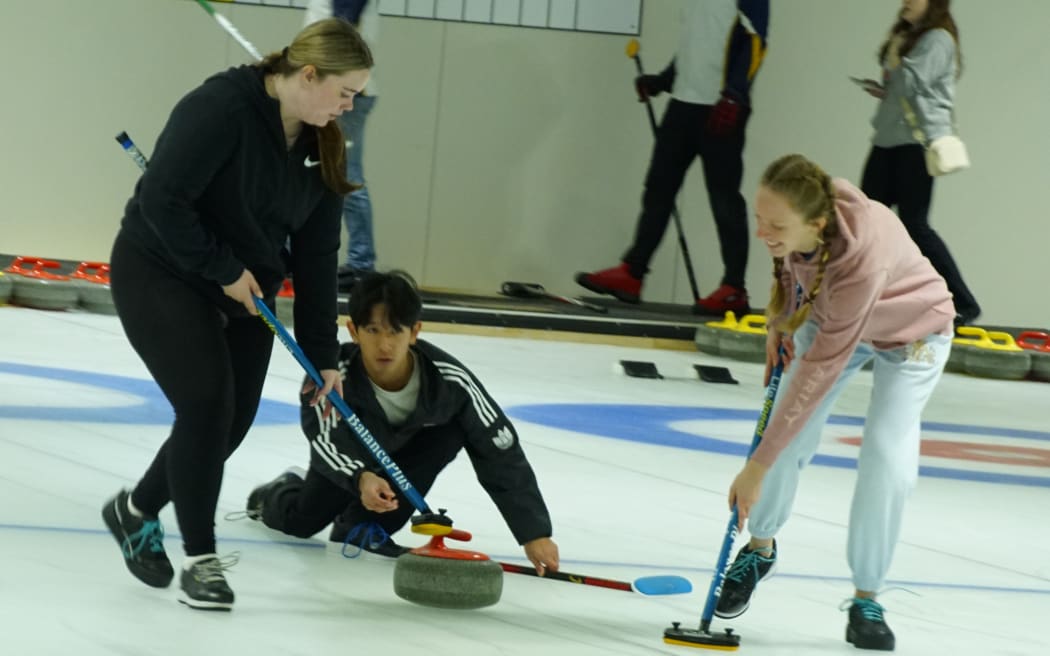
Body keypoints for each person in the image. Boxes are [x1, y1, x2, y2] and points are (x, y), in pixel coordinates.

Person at [100, 18, 373, 611]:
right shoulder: (219, 108)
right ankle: (202, 561)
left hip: (246, 288)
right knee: (205, 404)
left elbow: (318, 258)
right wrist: (220, 268)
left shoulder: (325, 138)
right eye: (346, 91)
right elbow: (162, 202)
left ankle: (137, 509)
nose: (351, 105)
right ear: (308, 75)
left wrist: (324, 359)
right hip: (163, 269)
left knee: (232, 421)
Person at [717, 154, 954, 651]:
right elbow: (788, 263)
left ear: (818, 224)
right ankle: (760, 549)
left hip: (913, 333)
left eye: (775, 224)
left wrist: (755, 468)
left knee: (886, 458)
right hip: (832, 319)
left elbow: (818, 374)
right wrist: (778, 323)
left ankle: (868, 596)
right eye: (759, 219)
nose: (763, 233)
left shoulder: (862, 259)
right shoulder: (803, 214)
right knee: (784, 430)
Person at [244, 271, 560, 574]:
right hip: (348, 459)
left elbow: (499, 449)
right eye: (372, 330)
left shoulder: (450, 382)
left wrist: (534, 532)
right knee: (301, 523)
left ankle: (364, 525)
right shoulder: (331, 375)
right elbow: (325, 440)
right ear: (354, 331)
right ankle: (279, 490)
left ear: (414, 331)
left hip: (404, 459)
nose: (385, 345)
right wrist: (360, 477)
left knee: (450, 432)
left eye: (395, 331)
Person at [575, 0, 769, 315]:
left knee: (723, 198)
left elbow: (757, 41)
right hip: (683, 103)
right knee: (658, 188)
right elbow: (697, 45)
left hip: (722, 106)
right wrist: (664, 80)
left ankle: (734, 288)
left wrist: (735, 94)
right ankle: (633, 273)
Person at [858, 0, 980, 327]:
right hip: (887, 139)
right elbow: (902, 86)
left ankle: (963, 303)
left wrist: (897, 56)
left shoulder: (938, 38)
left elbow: (916, 83)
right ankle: (870, 301)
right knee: (868, 223)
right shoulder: (911, 34)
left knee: (914, 224)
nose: (906, 2)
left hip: (914, 143)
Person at [306, 0, 381, 293]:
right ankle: (361, 261)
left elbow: (339, 35)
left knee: (346, 176)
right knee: (329, 171)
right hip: (339, 87)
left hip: (342, 90)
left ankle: (362, 262)